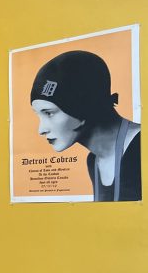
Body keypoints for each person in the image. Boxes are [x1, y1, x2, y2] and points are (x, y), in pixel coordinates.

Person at [30, 50, 141, 202]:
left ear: (80, 106)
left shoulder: (142, 145)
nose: (41, 130)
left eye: (49, 113)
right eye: (39, 115)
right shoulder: (93, 162)